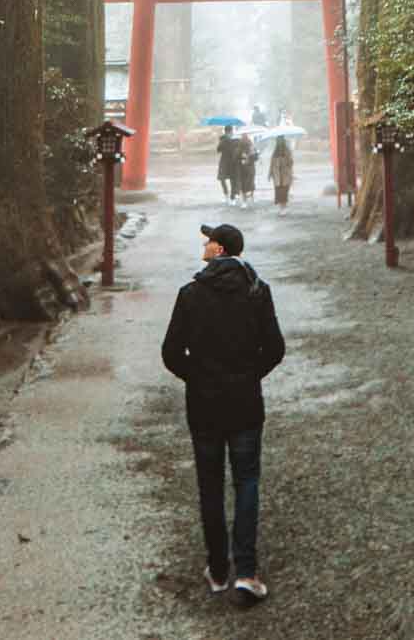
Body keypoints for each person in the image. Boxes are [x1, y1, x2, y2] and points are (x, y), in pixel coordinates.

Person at [160, 221, 285, 606]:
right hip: (245, 401)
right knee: (246, 481)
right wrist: (249, 375)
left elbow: (170, 352)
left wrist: (197, 377)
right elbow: (275, 348)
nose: (205, 243)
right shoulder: (257, 292)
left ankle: (217, 569)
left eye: (209, 240)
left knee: (209, 484)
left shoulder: (191, 293)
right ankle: (246, 572)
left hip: (204, 404)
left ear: (221, 250)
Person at [215, 124, 240, 204]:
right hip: (226, 162)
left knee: (232, 180)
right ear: (227, 132)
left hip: (231, 162)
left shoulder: (235, 140)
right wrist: (222, 140)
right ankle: (227, 195)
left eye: (230, 132)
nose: (230, 133)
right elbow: (218, 149)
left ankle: (232, 198)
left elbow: (237, 150)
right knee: (222, 179)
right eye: (229, 132)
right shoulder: (224, 140)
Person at [268, 131, 294, 208]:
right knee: (279, 192)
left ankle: (283, 207)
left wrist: (286, 160)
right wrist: (269, 174)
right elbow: (272, 164)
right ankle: (282, 207)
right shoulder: (275, 152)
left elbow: (291, 163)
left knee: (284, 191)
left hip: (285, 176)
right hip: (277, 177)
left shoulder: (287, 151)